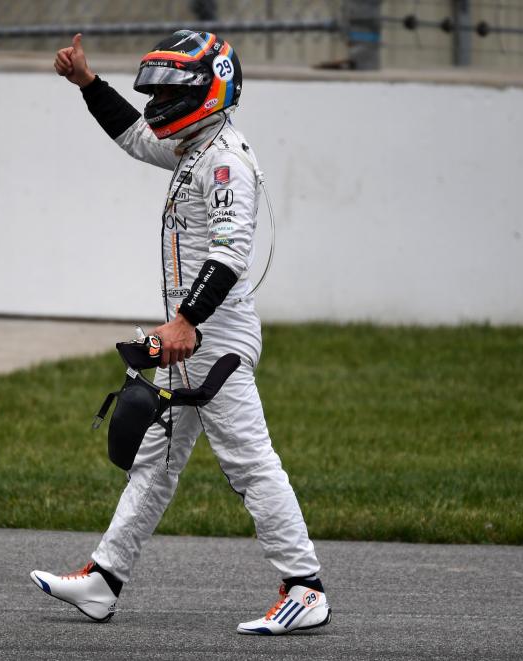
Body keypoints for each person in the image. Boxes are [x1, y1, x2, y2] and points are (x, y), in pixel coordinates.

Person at [30, 30, 330, 636]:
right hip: (188, 339)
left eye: (173, 90)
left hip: (211, 341)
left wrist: (187, 320)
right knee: (155, 463)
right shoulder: (196, 143)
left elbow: (230, 254)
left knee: (249, 463)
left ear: (211, 90)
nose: (160, 102)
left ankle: (305, 587)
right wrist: (88, 84)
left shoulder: (223, 160)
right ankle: (103, 580)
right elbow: (135, 137)